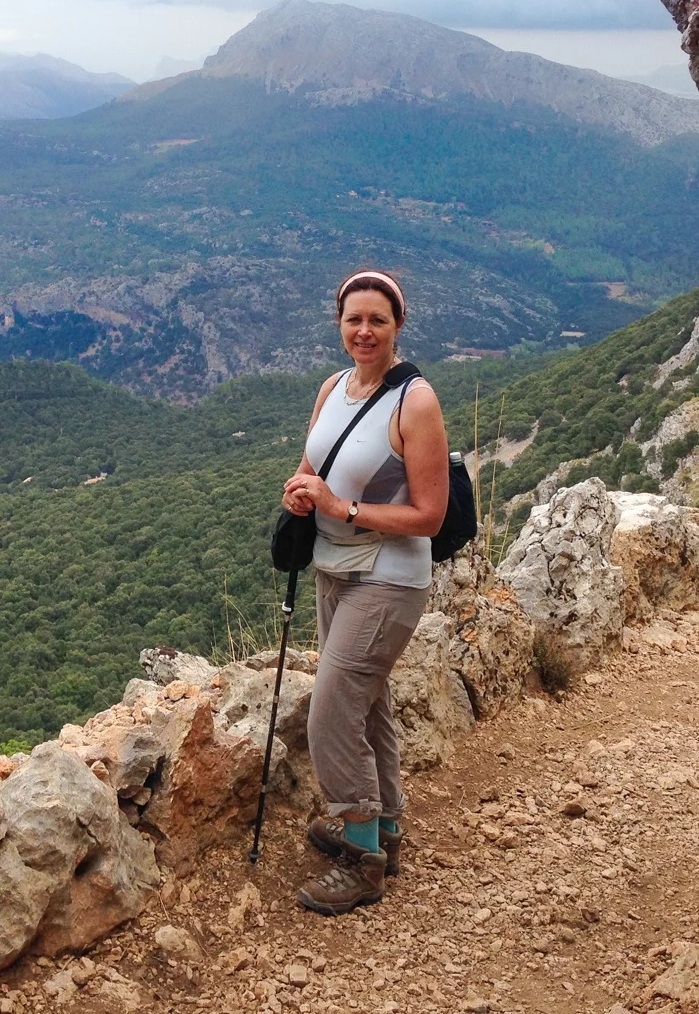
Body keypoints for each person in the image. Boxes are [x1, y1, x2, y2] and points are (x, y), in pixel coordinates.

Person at [281, 268, 449, 915]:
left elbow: (429, 516)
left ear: (398, 325)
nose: (365, 331)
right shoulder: (333, 388)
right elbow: (311, 466)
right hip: (333, 569)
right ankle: (385, 829)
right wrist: (299, 493)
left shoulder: (415, 403)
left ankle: (361, 860)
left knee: (328, 713)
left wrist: (342, 508)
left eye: (378, 319)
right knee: (365, 703)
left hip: (389, 575)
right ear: (339, 324)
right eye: (354, 319)